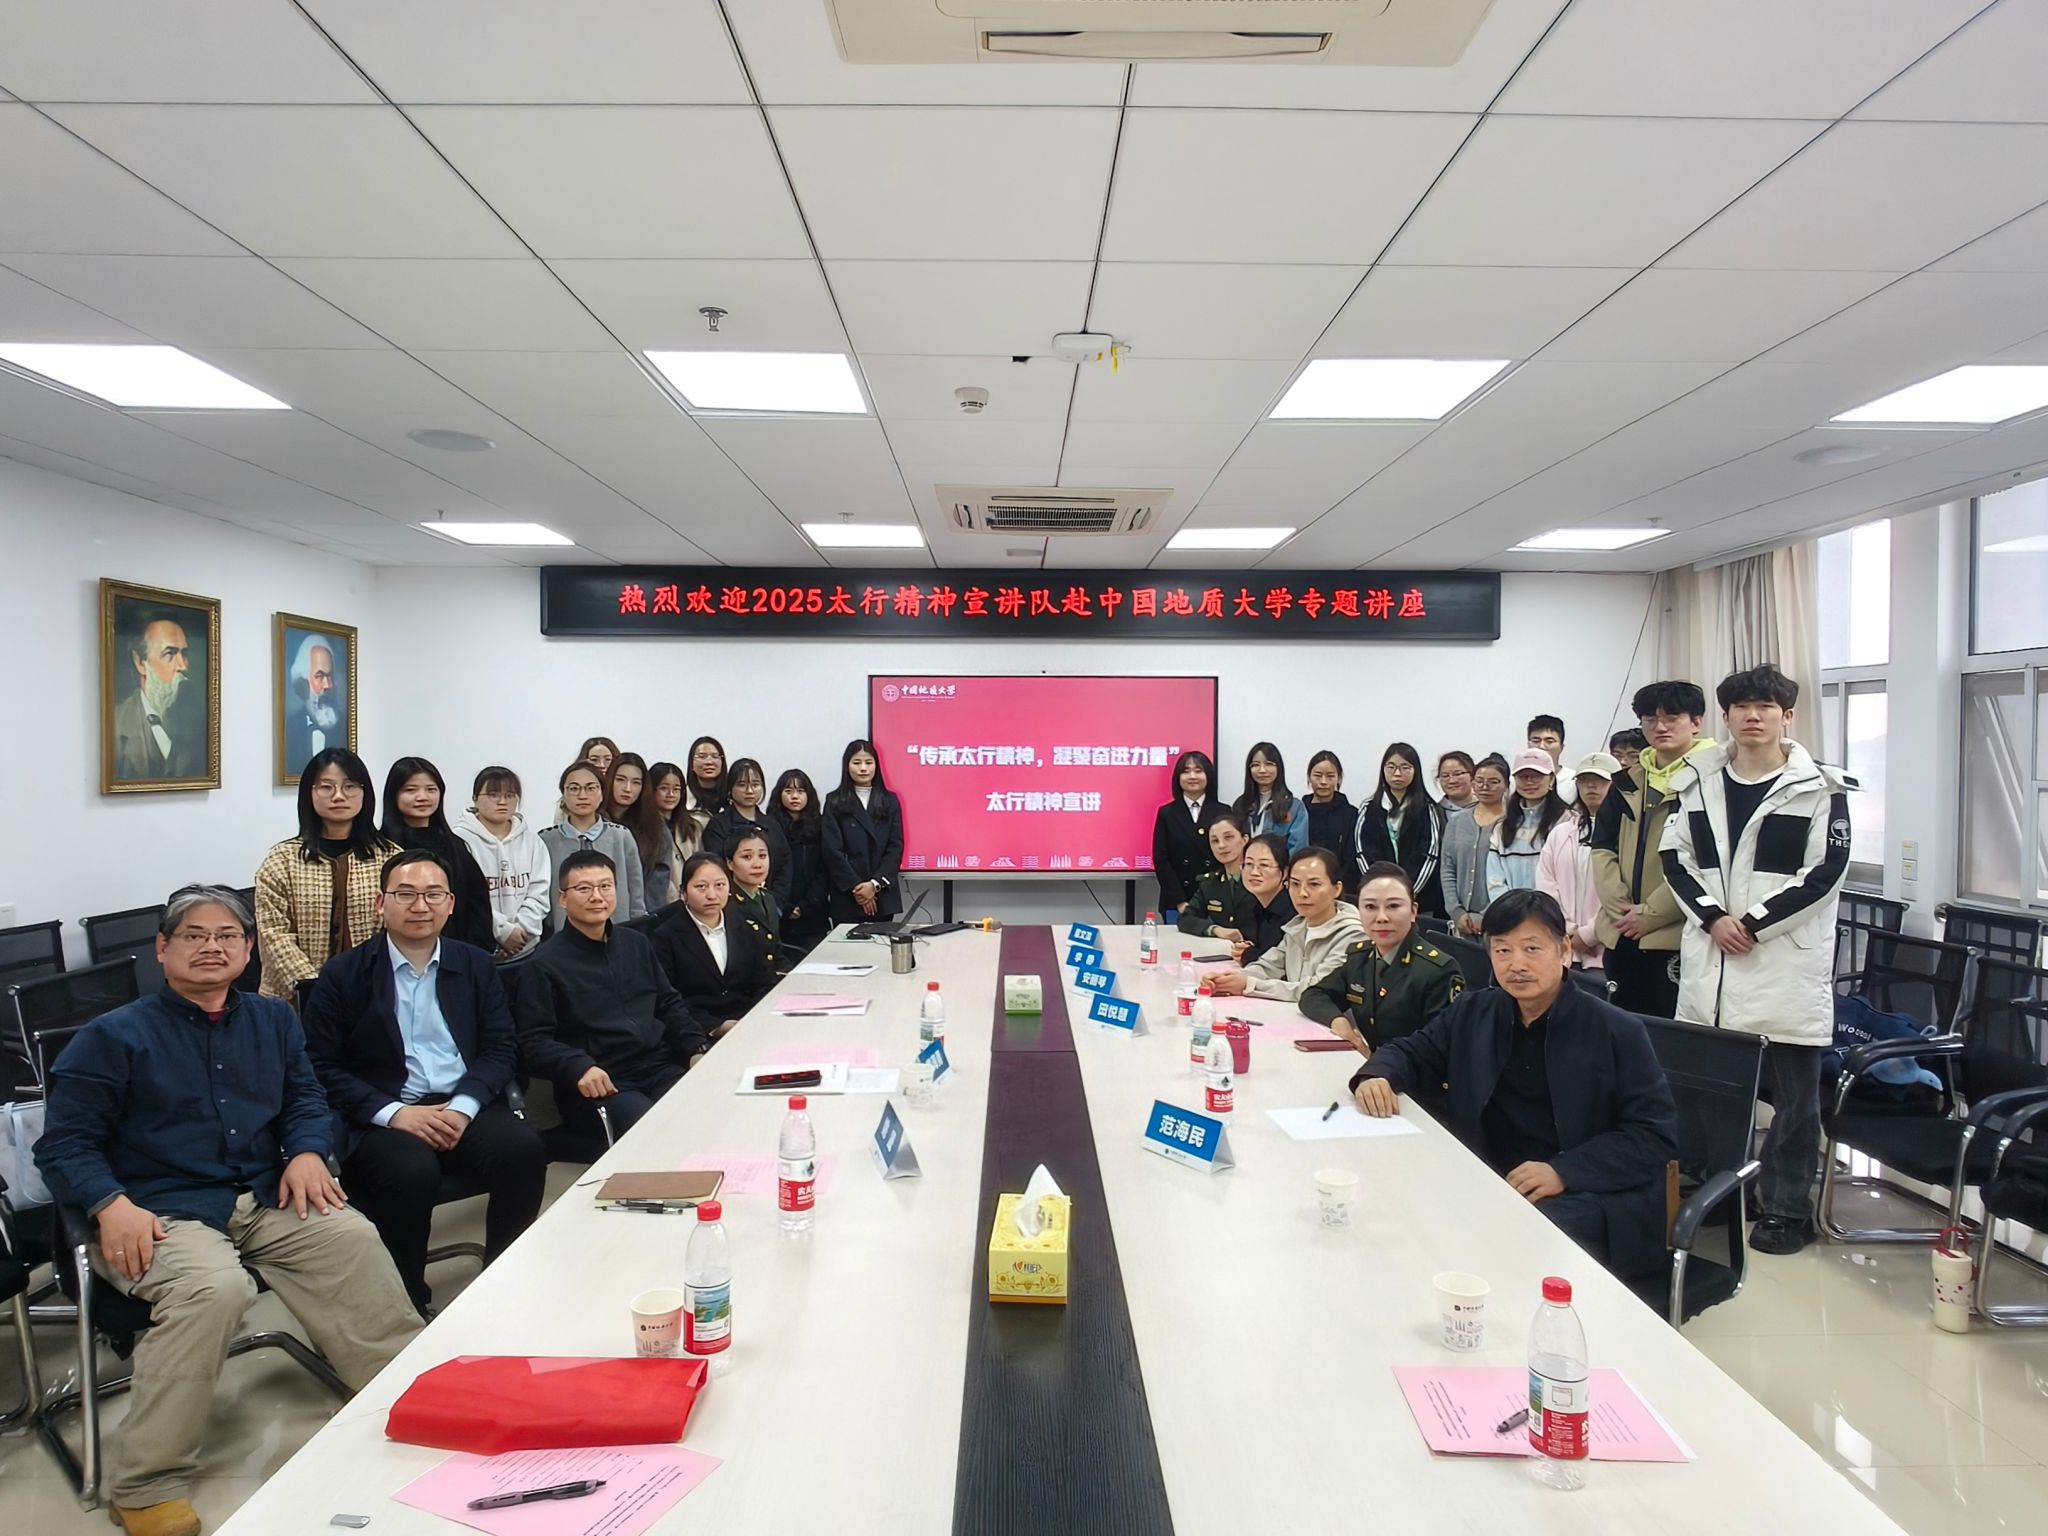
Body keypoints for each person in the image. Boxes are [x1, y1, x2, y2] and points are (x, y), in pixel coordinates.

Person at [35, 885, 420, 1536]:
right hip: (157, 1208)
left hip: (261, 1192)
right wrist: (108, 1203)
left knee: (349, 1237)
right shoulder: (112, 1037)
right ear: (162, 949)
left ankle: (404, 1395)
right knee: (213, 1290)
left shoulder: (273, 1020)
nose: (211, 947)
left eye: (227, 936)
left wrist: (307, 1151)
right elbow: (62, 1144)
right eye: (194, 935)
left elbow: (305, 1099)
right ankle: (144, 1483)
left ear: (248, 949)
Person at [1351, 889, 1680, 1280]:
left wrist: (1563, 1172)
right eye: (1503, 951)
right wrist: (1377, 1074)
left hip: (1585, 1191)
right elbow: (1415, 1051)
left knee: (1510, 1235)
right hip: (1493, 1174)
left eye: (1532, 948)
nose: (1517, 964)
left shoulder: (1616, 1031)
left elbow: (1653, 1136)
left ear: (1565, 951)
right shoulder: (1475, 1011)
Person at [302, 849, 546, 1317]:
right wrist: (396, 1114)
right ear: (380, 903)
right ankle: (408, 1300)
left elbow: (501, 1047)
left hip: (460, 1104)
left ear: (450, 904)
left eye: (434, 894)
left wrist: (464, 1106)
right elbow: (322, 1066)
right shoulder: (344, 974)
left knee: (524, 1150)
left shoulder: (475, 964)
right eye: (406, 894)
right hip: (383, 1112)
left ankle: (502, 1278)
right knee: (410, 1172)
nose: (420, 906)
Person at [1662, 664, 1850, 1256]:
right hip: (1713, 959)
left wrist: (1751, 923)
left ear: (1786, 716)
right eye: (1741, 707)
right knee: (1712, 1092)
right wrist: (1714, 917)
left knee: (1794, 1102)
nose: (1753, 716)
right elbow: (1675, 859)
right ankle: (1720, 1195)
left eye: (1765, 706)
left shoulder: (1821, 789)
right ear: (1725, 717)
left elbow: (1824, 873)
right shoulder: (1696, 782)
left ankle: (1787, 1209)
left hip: (1781, 966)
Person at [515, 851, 713, 1141]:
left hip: (659, 1066)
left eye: (605, 886)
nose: (597, 896)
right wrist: (579, 1066)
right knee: (656, 1132)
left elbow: (668, 1004)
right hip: (602, 1081)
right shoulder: (542, 965)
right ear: (562, 898)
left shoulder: (636, 943)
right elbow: (533, 1042)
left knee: (709, 1108)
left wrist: (696, 1047)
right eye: (584, 888)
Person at [1591, 680, 1712, 1018]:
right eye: (1650, 719)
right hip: (1621, 933)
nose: (1660, 727)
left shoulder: (1711, 780)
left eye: (1671, 718)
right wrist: (1621, 910)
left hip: (1677, 934)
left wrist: (1651, 914)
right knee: (1619, 1027)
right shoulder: (1627, 781)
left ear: (1696, 722)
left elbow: (1704, 861)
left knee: (1670, 1034)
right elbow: (1602, 847)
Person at [254, 748, 397, 998]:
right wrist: (313, 987)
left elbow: (398, 927)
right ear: (309, 793)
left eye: (350, 786)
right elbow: (273, 934)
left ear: (365, 792)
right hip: (295, 998)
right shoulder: (282, 860)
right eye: (326, 787)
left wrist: (366, 980)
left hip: (372, 991)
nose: (339, 796)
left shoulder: (390, 857)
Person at [1299, 862, 1463, 1076]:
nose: (1381, 917)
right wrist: (1339, 1021)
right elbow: (1314, 995)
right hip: (1371, 1071)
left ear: (1413, 911)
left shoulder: (1438, 970)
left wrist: (1377, 1065)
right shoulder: (1360, 957)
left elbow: (1438, 1050)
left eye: (1393, 906)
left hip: (1414, 1084)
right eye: (1370, 907)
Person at [1211, 846, 1363, 1002]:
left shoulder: (1353, 934)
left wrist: (1249, 985)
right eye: (1295, 884)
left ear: (1337, 889)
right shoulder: (1297, 927)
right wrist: (1228, 980)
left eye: (1314, 884)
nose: (1302, 893)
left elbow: (1317, 989)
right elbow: (1269, 965)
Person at [380, 756, 494, 952]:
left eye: (431, 789)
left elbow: (478, 904)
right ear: (393, 794)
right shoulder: (382, 848)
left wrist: (475, 954)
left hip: (456, 953)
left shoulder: (455, 844)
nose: (422, 797)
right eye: (411, 790)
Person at [652, 853, 776, 1029]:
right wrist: (717, 1026)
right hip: (698, 1029)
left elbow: (764, 981)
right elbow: (668, 1000)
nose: (712, 895)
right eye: (701, 887)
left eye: (720, 885)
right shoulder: (666, 937)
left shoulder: (744, 926)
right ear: (684, 892)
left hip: (750, 1022)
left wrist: (754, 1018)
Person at [453, 766, 551, 961]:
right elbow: (465, 898)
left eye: (510, 795)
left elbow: (539, 893)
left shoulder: (533, 842)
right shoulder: (459, 841)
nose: (503, 801)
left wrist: (520, 933)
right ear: (475, 798)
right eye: (493, 794)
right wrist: (503, 932)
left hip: (526, 949)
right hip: (478, 950)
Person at [539, 760, 646, 931]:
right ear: (563, 794)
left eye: (591, 788)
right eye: (574, 788)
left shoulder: (621, 836)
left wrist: (638, 928)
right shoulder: (546, 840)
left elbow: (636, 893)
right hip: (562, 934)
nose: (582, 795)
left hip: (618, 931)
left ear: (602, 794)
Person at [1537, 753, 1619, 974]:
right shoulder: (1561, 833)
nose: (1591, 786)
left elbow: (1625, 893)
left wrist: (1590, 933)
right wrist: (1566, 929)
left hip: (1607, 950)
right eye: (1584, 780)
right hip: (1563, 947)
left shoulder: (1628, 834)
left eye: (1601, 780)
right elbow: (1546, 884)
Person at [1355, 742, 1445, 917]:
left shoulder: (1428, 808)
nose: (1397, 773)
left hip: (1419, 898)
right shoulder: (1369, 807)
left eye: (1405, 767)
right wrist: (1377, 887)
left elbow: (1430, 853)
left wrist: (1409, 892)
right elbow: (1362, 851)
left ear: (1415, 771)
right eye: (1391, 767)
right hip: (1377, 896)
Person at [113, 611, 204, 781]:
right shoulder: (116, 724)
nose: (183, 665)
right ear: (140, 663)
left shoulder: (199, 723)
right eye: (169, 653)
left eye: (184, 654)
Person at [822, 739, 904, 924]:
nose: (863, 768)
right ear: (847, 766)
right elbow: (831, 850)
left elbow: (895, 847)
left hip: (882, 896)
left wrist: (874, 885)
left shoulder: (889, 801)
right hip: (847, 895)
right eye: (857, 762)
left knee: (882, 942)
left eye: (868, 762)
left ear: (876, 765)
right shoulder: (834, 801)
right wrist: (859, 888)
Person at [702, 758, 793, 909]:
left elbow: (785, 865)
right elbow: (717, 868)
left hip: (771, 906)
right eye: (742, 785)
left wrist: (775, 904)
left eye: (755, 784)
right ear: (730, 788)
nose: (749, 791)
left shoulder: (772, 824)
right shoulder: (718, 825)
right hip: (731, 907)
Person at [1485, 748, 1569, 902]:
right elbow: (1494, 878)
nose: (1529, 781)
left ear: (1551, 779)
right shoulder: (1502, 826)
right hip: (1511, 911)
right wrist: (1510, 908)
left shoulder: (1568, 821)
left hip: (1555, 910)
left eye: (1536, 776)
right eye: (1522, 776)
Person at [1150, 750, 1223, 924]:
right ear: (1178, 777)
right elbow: (1161, 859)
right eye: (1186, 771)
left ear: (1208, 775)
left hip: (1215, 901)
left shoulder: (1223, 811)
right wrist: (1180, 901)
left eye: (1198, 771)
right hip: (1177, 900)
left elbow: (1228, 857)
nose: (1192, 776)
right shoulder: (1167, 813)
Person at [1440, 754, 1509, 936]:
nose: (1485, 787)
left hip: (1502, 917)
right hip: (1462, 921)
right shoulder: (1457, 820)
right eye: (1479, 781)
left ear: (1506, 785)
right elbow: (1447, 868)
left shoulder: (1513, 821)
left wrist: (1487, 915)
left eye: (1494, 782)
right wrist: (1456, 911)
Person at [769, 768, 830, 955]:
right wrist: (785, 906)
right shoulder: (770, 827)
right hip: (780, 913)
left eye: (800, 791)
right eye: (788, 791)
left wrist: (806, 906)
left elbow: (825, 870)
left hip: (814, 915)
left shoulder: (821, 826)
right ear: (779, 795)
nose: (794, 796)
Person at [605, 752, 676, 909]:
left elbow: (657, 885)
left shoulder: (656, 828)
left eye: (636, 782)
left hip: (642, 912)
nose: (628, 788)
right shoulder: (596, 822)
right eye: (620, 780)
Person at [1177, 813, 1257, 942]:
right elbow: (1185, 919)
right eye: (1215, 841)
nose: (1221, 845)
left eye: (1228, 837)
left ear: (1244, 839)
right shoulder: (1210, 883)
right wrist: (1214, 929)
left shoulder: (1260, 879)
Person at [282, 631, 345, 776]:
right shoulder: (290, 728)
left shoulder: (343, 726)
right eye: (319, 676)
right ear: (304, 682)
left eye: (329, 676)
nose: (327, 685)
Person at [1231, 741, 1309, 854]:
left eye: (1269, 764)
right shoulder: (1241, 805)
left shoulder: (1294, 807)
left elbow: (1298, 849)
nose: (1262, 770)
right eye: (1255, 765)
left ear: (1279, 768)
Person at [1231, 833, 1297, 964]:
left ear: (1284, 872)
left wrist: (1250, 955)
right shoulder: (1251, 906)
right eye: (1249, 864)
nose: (1254, 872)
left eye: (1265, 865)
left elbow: (1285, 962)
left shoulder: (1294, 912)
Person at [1302, 751, 1360, 894]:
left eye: (1330, 776)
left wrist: (1333, 885)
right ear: (1309, 777)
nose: (1323, 782)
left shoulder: (1351, 814)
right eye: (1318, 775)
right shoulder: (1300, 811)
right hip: (1303, 884)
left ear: (1338, 778)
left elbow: (1352, 857)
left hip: (1341, 887)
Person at [726, 829, 785, 970]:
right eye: (747, 857)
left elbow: (776, 952)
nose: (757, 864)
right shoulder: (727, 904)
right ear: (730, 863)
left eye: (762, 856)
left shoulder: (768, 898)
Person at [646, 761, 704, 901]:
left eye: (676, 789)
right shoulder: (644, 828)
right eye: (664, 788)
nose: (671, 794)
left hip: (693, 898)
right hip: (660, 901)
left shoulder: (693, 827)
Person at [686, 735, 729, 819]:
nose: (709, 762)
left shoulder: (734, 798)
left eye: (715, 756)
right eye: (702, 756)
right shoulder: (681, 799)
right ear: (691, 764)